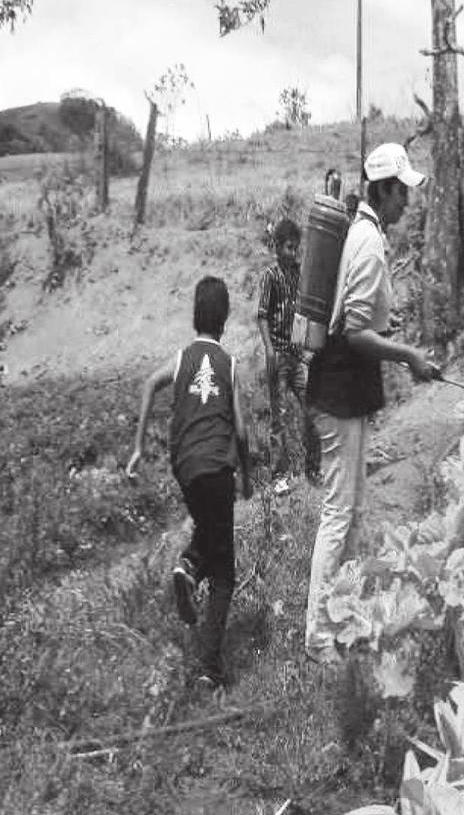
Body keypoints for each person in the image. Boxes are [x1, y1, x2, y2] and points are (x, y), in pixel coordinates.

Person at [304, 142, 438, 663]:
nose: (407, 201)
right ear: (382, 189)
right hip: (339, 387)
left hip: (345, 387)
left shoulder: (365, 233)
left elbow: (357, 315)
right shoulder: (367, 241)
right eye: (401, 190)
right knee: (339, 513)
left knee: (350, 507)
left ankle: (338, 617)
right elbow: (355, 332)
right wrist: (406, 355)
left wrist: (389, 331)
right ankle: (317, 636)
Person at [127, 275, 253, 688]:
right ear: (225, 318)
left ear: (196, 315)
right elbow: (242, 431)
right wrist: (247, 476)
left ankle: (187, 567)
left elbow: (148, 384)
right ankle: (209, 669)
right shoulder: (230, 365)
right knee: (226, 573)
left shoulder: (180, 358)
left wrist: (139, 448)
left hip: (184, 467)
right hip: (217, 467)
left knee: (208, 530)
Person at [256, 216, 320, 493]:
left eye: (296, 248)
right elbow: (261, 317)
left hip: (296, 354)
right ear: (277, 247)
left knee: (313, 407)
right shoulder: (270, 277)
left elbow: (303, 312)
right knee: (279, 415)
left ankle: (313, 467)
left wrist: (306, 348)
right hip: (279, 356)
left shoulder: (298, 274)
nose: (293, 253)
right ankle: (279, 476)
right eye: (288, 248)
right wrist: (270, 351)